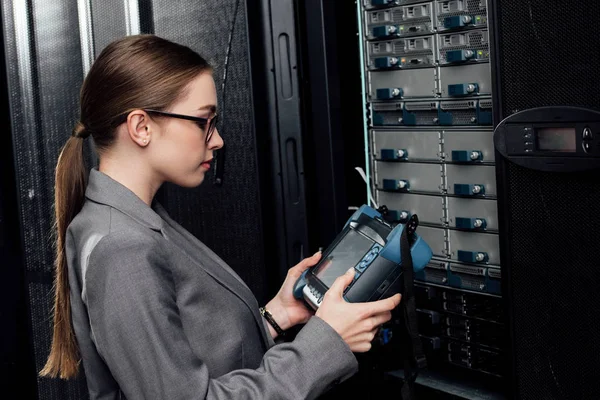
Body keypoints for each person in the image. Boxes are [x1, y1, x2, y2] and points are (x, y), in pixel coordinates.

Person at [40, 34, 401, 400]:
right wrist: (326, 343)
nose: (218, 140)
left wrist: (277, 316)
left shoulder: (134, 221)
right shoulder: (122, 246)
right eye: (204, 121)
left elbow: (189, 354)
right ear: (141, 127)